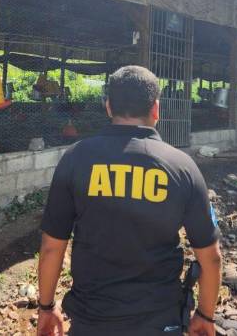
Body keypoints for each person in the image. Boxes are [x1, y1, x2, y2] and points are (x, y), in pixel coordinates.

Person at [37, 66, 222, 336]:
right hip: (160, 320)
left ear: (109, 107)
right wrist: (205, 314)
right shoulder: (183, 168)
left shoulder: (76, 159)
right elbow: (212, 258)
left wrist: (46, 307)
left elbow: (52, 247)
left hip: (92, 319)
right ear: (156, 109)